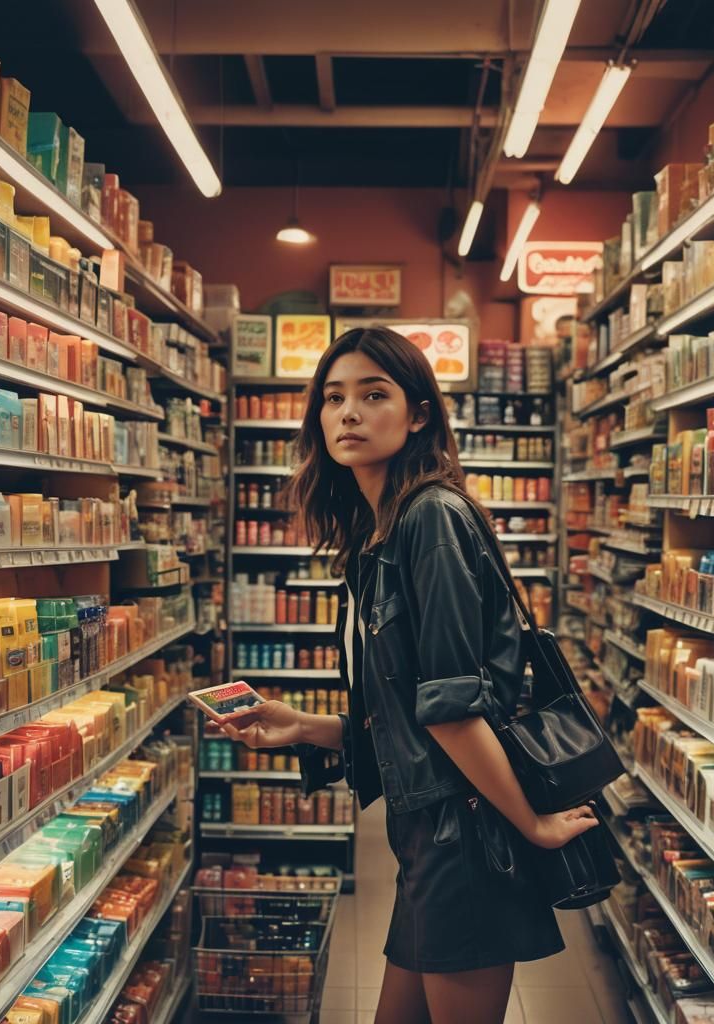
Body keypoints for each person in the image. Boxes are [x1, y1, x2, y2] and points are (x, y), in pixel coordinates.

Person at [213, 327, 598, 1024]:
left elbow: (450, 710)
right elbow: (404, 723)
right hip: (430, 839)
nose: (348, 413)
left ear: (418, 413)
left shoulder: (432, 521)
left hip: (472, 840)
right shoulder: (375, 540)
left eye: (373, 393)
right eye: (333, 398)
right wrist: (302, 726)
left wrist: (534, 826)